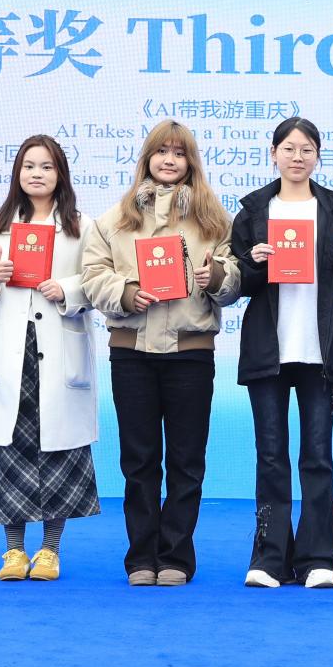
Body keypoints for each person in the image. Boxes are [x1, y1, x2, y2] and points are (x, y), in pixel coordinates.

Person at [82, 119, 239, 584]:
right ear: (146, 158)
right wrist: (126, 293)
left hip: (191, 353)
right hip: (131, 353)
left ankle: (176, 557)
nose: (169, 160)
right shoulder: (115, 218)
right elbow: (93, 275)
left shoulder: (214, 219)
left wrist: (218, 278)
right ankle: (140, 558)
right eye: (161, 151)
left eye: (179, 152)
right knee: (139, 461)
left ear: (191, 162)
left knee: (187, 461)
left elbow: (235, 276)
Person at [230, 116, 333, 589]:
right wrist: (253, 263)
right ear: (273, 154)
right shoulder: (253, 211)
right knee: (271, 456)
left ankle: (318, 558)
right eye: (288, 148)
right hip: (268, 351)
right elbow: (239, 282)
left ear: (317, 156)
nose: (297, 157)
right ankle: (269, 558)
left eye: (307, 149)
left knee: (318, 457)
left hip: (319, 353)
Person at [0, 136, 99, 582]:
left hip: (59, 349)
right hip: (13, 351)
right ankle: (13, 551)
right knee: (11, 450)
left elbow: (97, 281)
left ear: (60, 173)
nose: (37, 174)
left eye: (47, 166)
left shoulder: (82, 226)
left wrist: (68, 289)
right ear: (18, 173)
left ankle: (50, 550)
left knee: (58, 450)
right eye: (29, 166)